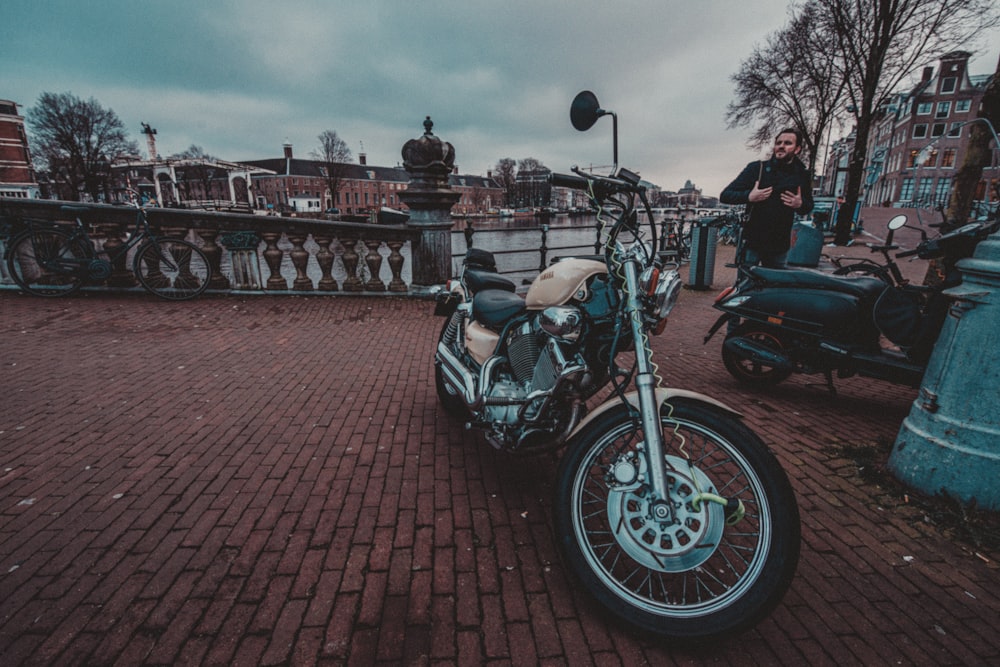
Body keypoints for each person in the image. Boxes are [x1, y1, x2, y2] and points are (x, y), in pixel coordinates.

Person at [720, 128, 813, 268]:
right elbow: (725, 195)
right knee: (746, 285)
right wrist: (749, 196)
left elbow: (808, 206)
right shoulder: (757, 169)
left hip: (779, 245)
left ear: (797, 149)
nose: (781, 146)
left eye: (787, 143)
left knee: (774, 286)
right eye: (778, 142)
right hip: (753, 241)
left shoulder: (802, 175)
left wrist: (799, 204)